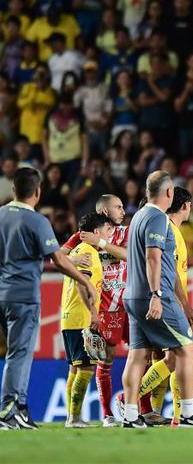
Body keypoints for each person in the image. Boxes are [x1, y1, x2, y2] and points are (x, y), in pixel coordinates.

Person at [0, 167, 96, 430]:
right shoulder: (37, 221)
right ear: (38, 191)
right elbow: (58, 261)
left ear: (14, 189)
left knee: (15, 353)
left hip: (2, 294)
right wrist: (85, 280)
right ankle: (9, 410)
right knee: (20, 353)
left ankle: (19, 409)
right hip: (23, 296)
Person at [120, 171, 193, 428]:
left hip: (133, 294)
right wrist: (156, 295)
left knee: (137, 354)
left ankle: (130, 414)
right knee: (186, 349)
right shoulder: (158, 218)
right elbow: (153, 257)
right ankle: (189, 412)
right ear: (169, 192)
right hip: (154, 295)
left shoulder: (138, 216)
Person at [60, 194, 129, 428]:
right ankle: (97, 414)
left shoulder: (124, 233)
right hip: (94, 310)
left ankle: (75, 416)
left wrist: (101, 242)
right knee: (89, 364)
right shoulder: (83, 240)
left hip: (122, 306)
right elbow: (58, 256)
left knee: (145, 354)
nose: (123, 211)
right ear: (104, 213)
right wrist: (73, 258)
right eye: (118, 207)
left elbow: (129, 256)